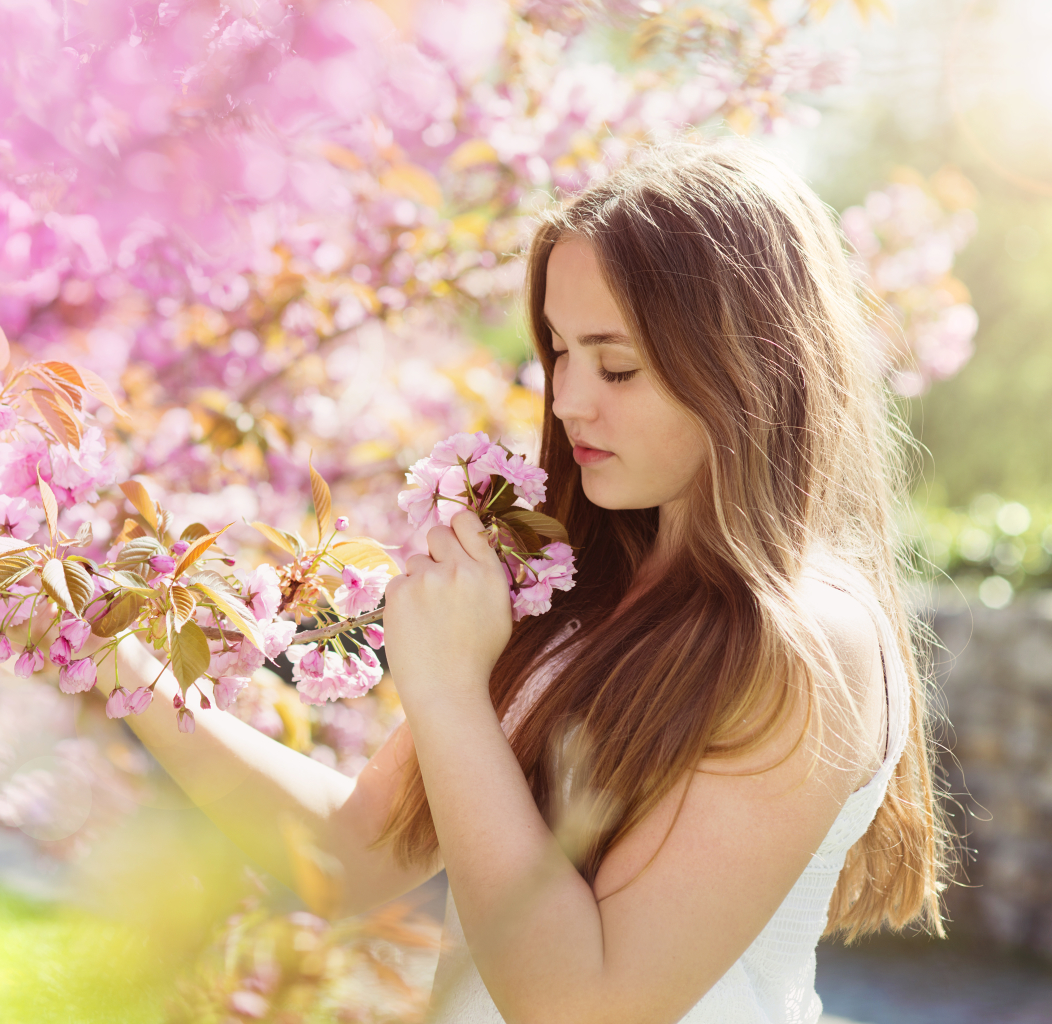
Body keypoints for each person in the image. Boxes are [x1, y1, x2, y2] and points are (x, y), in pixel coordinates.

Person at [113, 138, 948, 1024]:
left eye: (616, 364)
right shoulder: (575, 591)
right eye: (559, 351)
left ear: (751, 362)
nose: (567, 400)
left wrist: (446, 690)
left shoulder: (808, 644)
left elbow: (583, 1006)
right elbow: (359, 856)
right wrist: (116, 661)